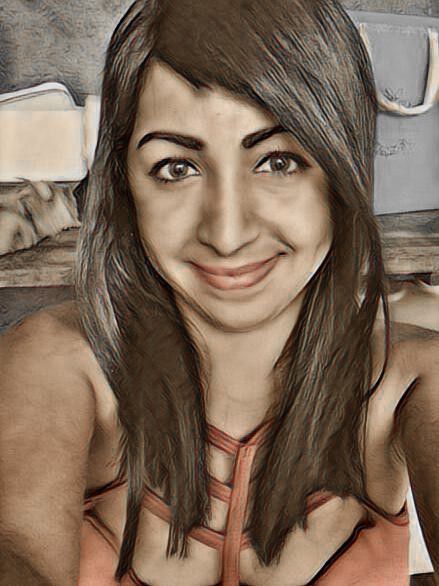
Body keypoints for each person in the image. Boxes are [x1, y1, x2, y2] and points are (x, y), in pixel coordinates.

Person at [0, 0, 438, 584]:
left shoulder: (416, 380)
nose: (227, 234)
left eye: (278, 161)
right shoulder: (55, 360)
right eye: (176, 168)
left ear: (343, 171)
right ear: (124, 186)